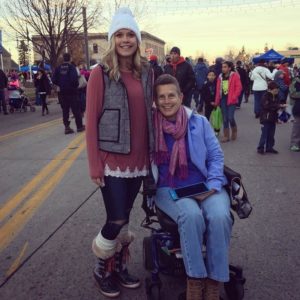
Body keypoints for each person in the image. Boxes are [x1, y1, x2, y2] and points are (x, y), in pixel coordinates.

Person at [85, 7, 154, 298]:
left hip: (139, 162)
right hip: (111, 161)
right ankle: (101, 267)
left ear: (137, 40)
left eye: (130, 35)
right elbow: (90, 123)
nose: (126, 40)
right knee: (114, 219)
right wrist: (94, 166)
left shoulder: (146, 72)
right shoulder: (100, 74)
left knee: (125, 219)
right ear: (113, 40)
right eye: (120, 35)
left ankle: (118, 266)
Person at [153, 74, 231, 300]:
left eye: (171, 96)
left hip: (204, 184)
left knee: (219, 217)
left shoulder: (200, 122)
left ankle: (215, 281)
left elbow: (216, 155)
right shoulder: (150, 127)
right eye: (161, 97)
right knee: (191, 216)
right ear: (155, 102)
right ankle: (195, 280)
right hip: (169, 188)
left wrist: (215, 184)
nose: (167, 101)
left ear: (181, 97)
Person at [52, 53, 85, 134]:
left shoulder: (58, 68)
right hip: (72, 91)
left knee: (65, 110)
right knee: (76, 109)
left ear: (63, 59)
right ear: (70, 59)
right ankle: (79, 127)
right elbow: (74, 79)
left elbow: (53, 79)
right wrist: (75, 86)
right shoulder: (71, 67)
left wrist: (60, 84)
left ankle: (67, 127)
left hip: (62, 92)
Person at [214, 61, 242, 142]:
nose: (223, 68)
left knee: (230, 117)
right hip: (223, 99)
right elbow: (218, 90)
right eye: (222, 67)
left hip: (231, 100)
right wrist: (216, 101)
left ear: (229, 68)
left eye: (225, 67)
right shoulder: (220, 77)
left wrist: (234, 97)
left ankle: (234, 129)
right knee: (225, 119)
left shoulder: (234, 76)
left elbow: (239, 87)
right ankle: (226, 135)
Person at [257, 81, 286, 154]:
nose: (277, 91)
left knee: (271, 134)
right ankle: (260, 148)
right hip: (265, 118)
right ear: (270, 90)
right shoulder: (265, 96)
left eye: (277, 90)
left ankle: (269, 147)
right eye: (275, 90)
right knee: (264, 134)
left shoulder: (277, 96)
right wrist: (278, 106)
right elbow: (266, 106)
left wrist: (281, 109)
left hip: (273, 118)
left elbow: (277, 106)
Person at [289, 75, 300, 152]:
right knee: (297, 127)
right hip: (298, 107)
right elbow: (292, 94)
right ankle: (294, 144)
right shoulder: (296, 81)